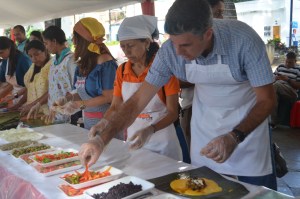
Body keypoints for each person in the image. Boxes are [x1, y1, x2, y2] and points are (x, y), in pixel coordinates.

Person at [79, 0, 277, 190]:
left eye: (186, 45)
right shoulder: (170, 52)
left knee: (257, 193)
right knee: (204, 190)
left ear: (207, 34)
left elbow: (267, 100)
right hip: (205, 132)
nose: (178, 52)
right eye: (173, 43)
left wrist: (235, 136)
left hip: (247, 133)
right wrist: (101, 140)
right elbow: (138, 100)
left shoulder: (244, 41)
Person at [90, 15, 182, 160]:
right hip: (134, 138)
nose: (126, 52)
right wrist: (103, 122)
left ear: (146, 42)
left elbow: (172, 113)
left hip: (163, 141)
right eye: (123, 46)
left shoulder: (163, 69)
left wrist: (151, 129)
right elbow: (115, 107)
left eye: (131, 46)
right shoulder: (122, 71)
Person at [52, 17, 117, 130]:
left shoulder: (105, 62)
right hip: (88, 122)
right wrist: (68, 98)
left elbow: (109, 97)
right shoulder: (83, 63)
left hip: (107, 123)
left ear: (83, 39)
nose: (73, 40)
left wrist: (78, 104)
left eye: (74, 36)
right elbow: (83, 93)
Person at [179, 0, 225, 149]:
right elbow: (174, 80)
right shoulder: (182, 43)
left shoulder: (229, 44)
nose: (221, 18)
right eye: (217, 14)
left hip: (222, 112)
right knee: (198, 148)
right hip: (192, 106)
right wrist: (204, 78)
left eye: (221, 13)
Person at [26, 26, 76, 124]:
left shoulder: (71, 60)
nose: (46, 47)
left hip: (68, 113)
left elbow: (77, 89)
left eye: (46, 43)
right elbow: (53, 88)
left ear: (54, 41)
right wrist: (38, 104)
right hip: (54, 114)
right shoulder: (54, 61)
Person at [19, 40, 51, 117]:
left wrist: (33, 105)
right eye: (30, 56)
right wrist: (19, 103)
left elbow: (53, 90)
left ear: (45, 52)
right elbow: (29, 88)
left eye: (36, 54)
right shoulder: (33, 67)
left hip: (48, 112)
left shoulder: (52, 66)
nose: (33, 59)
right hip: (32, 112)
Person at [0, 36, 31, 110]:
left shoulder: (23, 60)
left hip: (27, 98)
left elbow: (30, 86)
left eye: (1, 52)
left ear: (9, 48)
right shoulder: (5, 61)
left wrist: (15, 97)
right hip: (15, 97)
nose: (0, 55)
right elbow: (6, 82)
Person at [271, 52, 300, 127]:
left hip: (291, 91)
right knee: (272, 92)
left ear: (295, 61)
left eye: (290, 62)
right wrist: (275, 78)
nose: (287, 64)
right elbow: (272, 78)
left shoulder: (298, 69)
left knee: (275, 86)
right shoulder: (280, 66)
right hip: (277, 87)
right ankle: (272, 120)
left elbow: (298, 86)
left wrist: (288, 80)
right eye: (286, 61)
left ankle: (274, 121)